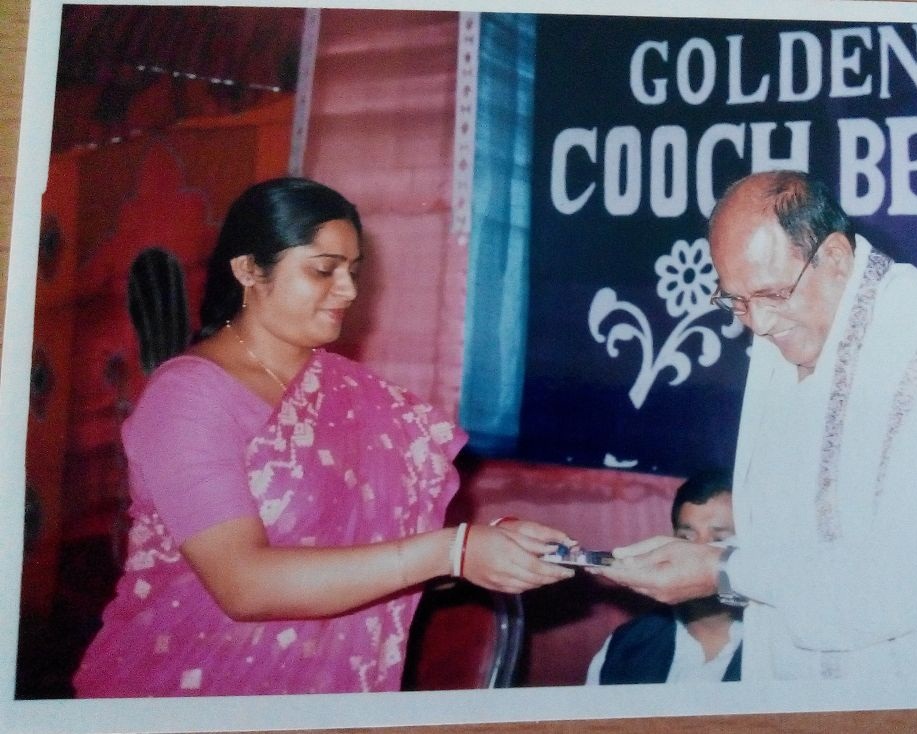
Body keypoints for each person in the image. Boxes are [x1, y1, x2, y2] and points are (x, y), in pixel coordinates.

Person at [73, 177, 574, 697]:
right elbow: (243, 584)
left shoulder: (353, 394)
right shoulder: (187, 398)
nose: (349, 290)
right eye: (323, 269)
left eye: (353, 271)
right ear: (248, 270)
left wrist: (492, 549)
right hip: (185, 697)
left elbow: (387, 559)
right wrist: (453, 550)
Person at [599, 170, 917, 681]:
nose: (757, 324)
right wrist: (703, 559)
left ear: (834, 257)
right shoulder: (789, 320)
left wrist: (720, 571)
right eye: (736, 301)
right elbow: (790, 536)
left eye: (772, 295)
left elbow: (916, 577)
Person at [585, 470, 743, 685]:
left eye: (718, 541)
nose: (694, 554)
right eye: (686, 538)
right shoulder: (625, 645)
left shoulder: (779, 646)